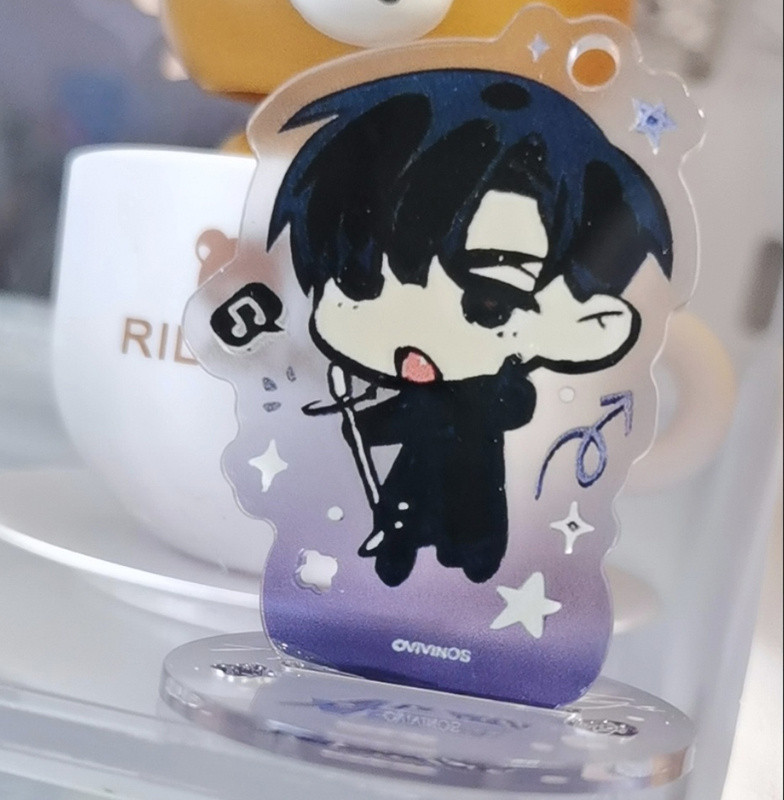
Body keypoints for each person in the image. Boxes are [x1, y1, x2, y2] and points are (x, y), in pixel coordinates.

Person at [264, 69, 673, 587]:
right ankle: (400, 557)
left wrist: (371, 424)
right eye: (359, 285)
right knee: (403, 525)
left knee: (472, 531)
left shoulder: (495, 391)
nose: (414, 335)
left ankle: (468, 561)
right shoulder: (431, 392)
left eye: (489, 301)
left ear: (592, 324)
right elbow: (395, 419)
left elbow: (514, 406)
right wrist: (354, 424)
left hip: (475, 484)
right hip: (412, 482)